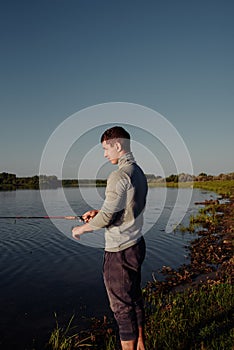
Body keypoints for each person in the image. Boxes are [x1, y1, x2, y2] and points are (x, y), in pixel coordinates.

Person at [72, 126, 148, 350]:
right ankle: (142, 345)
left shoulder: (118, 175)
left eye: (106, 148)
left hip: (119, 252)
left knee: (122, 309)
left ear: (117, 145)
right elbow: (122, 208)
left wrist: (81, 230)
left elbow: (108, 217)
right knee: (133, 299)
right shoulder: (137, 171)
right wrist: (98, 213)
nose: (105, 154)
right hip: (136, 245)